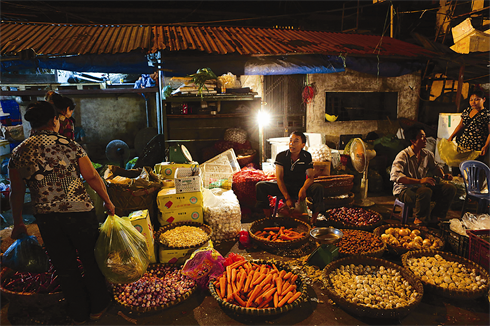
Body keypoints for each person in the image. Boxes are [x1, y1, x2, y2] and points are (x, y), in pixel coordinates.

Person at [9, 101, 115, 325]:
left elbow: (16, 192)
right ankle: (98, 306)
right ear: (53, 120)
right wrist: (107, 202)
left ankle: (78, 312)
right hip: (79, 213)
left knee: (64, 267)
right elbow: (92, 177)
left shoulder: (18, 152)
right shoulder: (68, 144)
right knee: (90, 260)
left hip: (47, 218)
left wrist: (18, 222)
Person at [390, 124, 457, 226]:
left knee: (449, 188)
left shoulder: (427, 154)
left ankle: (435, 217)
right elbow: (396, 177)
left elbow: (435, 168)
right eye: (421, 136)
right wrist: (420, 181)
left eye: (424, 136)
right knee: (425, 191)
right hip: (404, 190)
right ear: (412, 141)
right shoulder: (403, 155)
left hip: (421, 188)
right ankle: (420, 220)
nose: (425, 139)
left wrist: (443, 175)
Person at [256, 131, 324, 225]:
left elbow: (311, 177)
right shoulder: (281, 156)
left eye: (296, 141)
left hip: (300, 186)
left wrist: (303, 189)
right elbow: (279, 178)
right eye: (290, 140)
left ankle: (313, 220)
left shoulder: (306, 156)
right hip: (284, 186)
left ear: (303, 145)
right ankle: (269, 218)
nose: (292, 143)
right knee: (260, 186)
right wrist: (287, 197)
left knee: (318, 188)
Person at [448, 90, 490, 165]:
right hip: (463, 145)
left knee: (473, 168)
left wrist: (486, 146)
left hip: (477, 148)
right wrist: (451, 136)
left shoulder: (487, 115)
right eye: (471, 100)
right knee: (460, 166)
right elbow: (460, 125)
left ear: (483, 99)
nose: (473, 102)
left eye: (477, 99)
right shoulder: (467, 111)